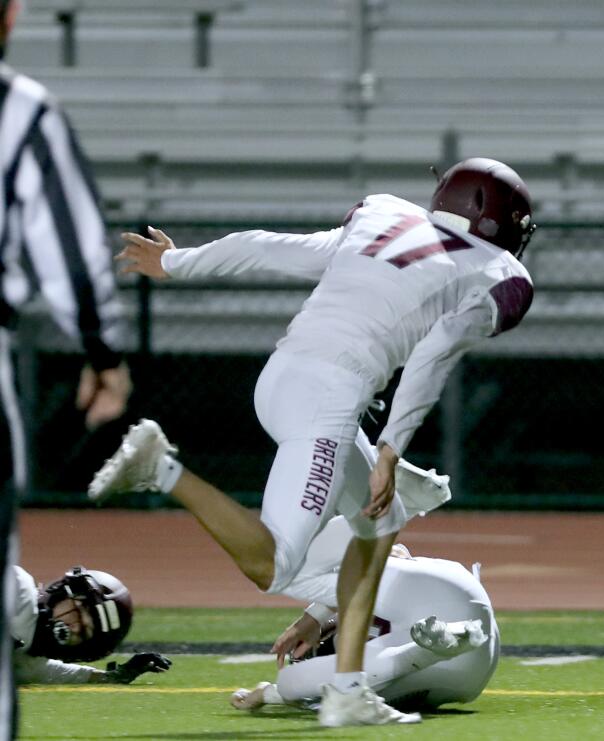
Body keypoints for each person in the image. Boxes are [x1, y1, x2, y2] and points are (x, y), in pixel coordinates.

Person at [87, 157, 534, 726]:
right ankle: (161, 467)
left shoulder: (384, 215)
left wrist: (177, 262)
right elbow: (433, 356)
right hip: (330, 396)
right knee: (273, 566)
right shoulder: (498, 272)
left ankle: (347, 692)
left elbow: (271, 247)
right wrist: (391, 449)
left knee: (381, 524)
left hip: (283, 377)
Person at [1, 1, 133, 734]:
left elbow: (29, 655)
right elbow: (73, 243)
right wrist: (102, 352)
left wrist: (98, 670)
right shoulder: (18, 110)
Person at [227, 516, 497, 721]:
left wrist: (269, 693)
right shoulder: (364, 646)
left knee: (301, 681)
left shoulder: (373, 648)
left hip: (470, 673)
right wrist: (312, 618)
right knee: (310, 679)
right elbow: (378, 557)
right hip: (462, 595)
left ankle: (435, 647)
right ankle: (436, 645)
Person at [6, 563, 170, 685]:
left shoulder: (28, 661)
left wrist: (116, 676)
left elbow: (52, 672)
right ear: (63, 594)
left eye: (84, 633)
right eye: (77, 612)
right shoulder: (18, 587)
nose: (75, 627)